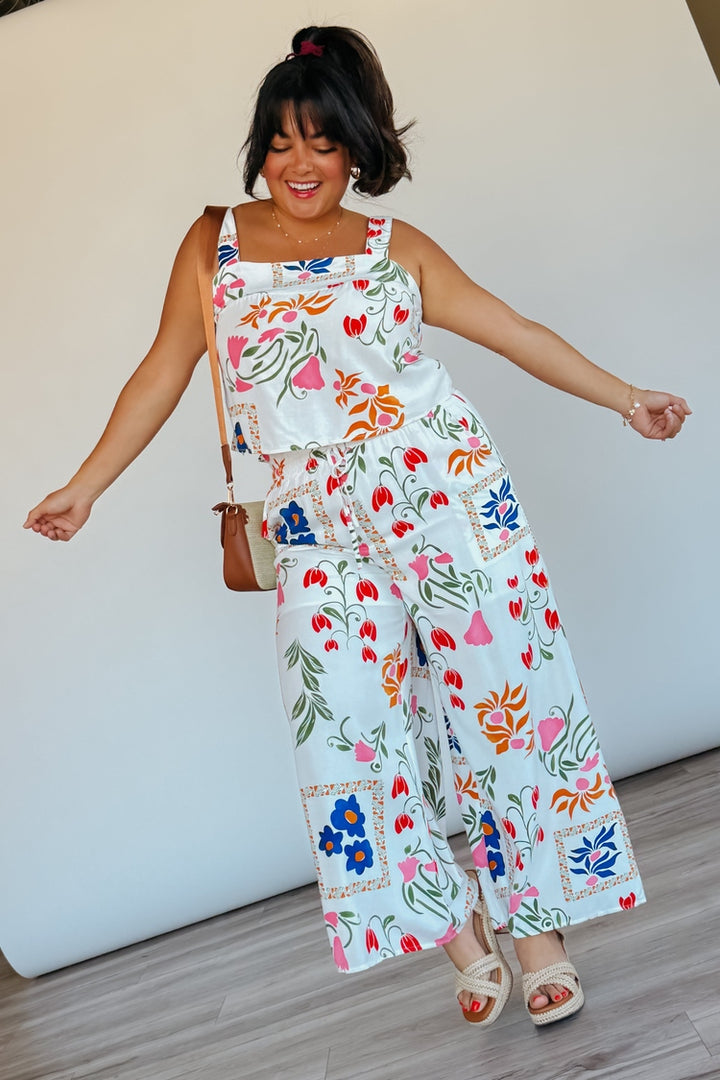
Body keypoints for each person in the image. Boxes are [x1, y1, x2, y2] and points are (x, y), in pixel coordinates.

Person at [24, 26, 690, 1027]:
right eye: (280, 142)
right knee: (346, 731)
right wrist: (87, 486)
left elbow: (512, 330)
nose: (299, 164)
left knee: (505, 706)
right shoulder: (213, 245)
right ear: (259, 150)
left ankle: (539, 933)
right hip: (317, 525)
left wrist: (627, 398)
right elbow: (163, 369)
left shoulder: (394, 249)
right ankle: (456, 928)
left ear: (358, 150)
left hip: (447, 498)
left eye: (323, 143)